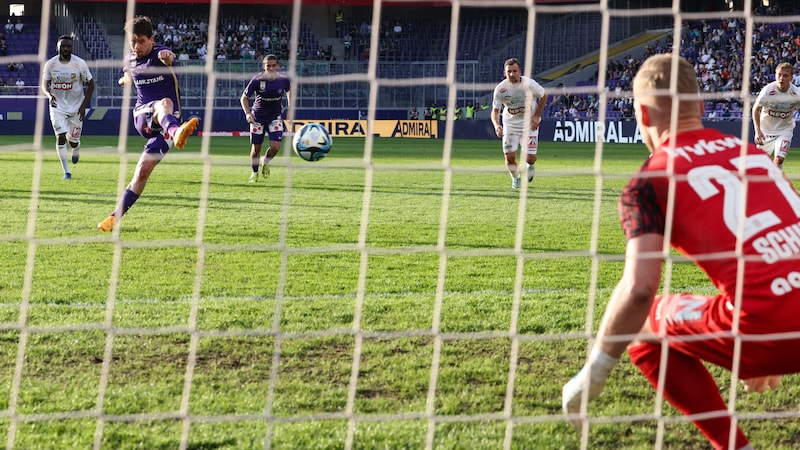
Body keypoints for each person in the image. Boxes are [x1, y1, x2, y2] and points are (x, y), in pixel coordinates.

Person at [562, 54, 800, 450]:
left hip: (765, 328)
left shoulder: (651, 178)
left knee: (641, 326)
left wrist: (594, 372)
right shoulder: (754, 154)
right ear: (702, 106)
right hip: (778, 318)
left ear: (641, 112)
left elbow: (639, 289)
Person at [97, 16, 199, 232]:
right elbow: (128, 75)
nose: (136, 46)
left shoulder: (161, 53)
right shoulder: (130, 59)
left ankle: (114, 217)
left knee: (143, 171)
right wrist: (125, 81)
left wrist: (167, 56)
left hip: (165, 125)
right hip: (144, 117)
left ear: (151, 39)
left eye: (141, 41)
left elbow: (169, 57)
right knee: (165, 103)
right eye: (132, 41)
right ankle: (177, 131)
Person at [42, 35, 95, 180]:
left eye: (68, 46)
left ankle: (76, 147)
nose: (65, 49)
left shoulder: (80, 63)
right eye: (63, 46)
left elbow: (91, 84)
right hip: (57, 106)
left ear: (72, 48)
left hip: (77, 107)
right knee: (60, 137)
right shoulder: (50, 64)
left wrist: (84, 105)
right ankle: (66, 172)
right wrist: (49, 95)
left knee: (72, 140)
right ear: (57, 47)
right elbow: (44, 84)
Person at [490, 58, 548, 188]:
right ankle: (516, 179)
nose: (512, 74)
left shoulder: (530, 84)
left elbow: (544, 96)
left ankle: (530, 165)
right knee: (510, 157)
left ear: (519, 72)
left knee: (530, 158)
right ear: (504, 73)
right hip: (510, 125)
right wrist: (496, 125)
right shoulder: (500, 89)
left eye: (514, 71)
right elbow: (495, 111)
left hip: (529, 125)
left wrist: (537, 116)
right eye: (509, 71)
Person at [240, 54, 291, 183]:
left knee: (276, 147)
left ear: (278, 66)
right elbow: (244, 98)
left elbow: (289, 91)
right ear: (264, 66)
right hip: (257, 118)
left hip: (275, 116)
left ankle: (266, 161)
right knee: (256, 149)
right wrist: (248, 113)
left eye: (274, 65)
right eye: (268, 66)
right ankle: (254, 172)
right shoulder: (257, 80)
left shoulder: (284, 79)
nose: (271, 68)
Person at [752, 61, 800, 170]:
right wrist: (757, 131)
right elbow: (756, 109)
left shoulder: (796, 94)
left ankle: (774, 182)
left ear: (791, 78)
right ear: (775, 75)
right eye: (779, 75)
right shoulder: (768, 91)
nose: (781, 78)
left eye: (785, 75)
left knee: (779, 159)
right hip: (766, 131)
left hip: (785, 130)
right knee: (760, 163)